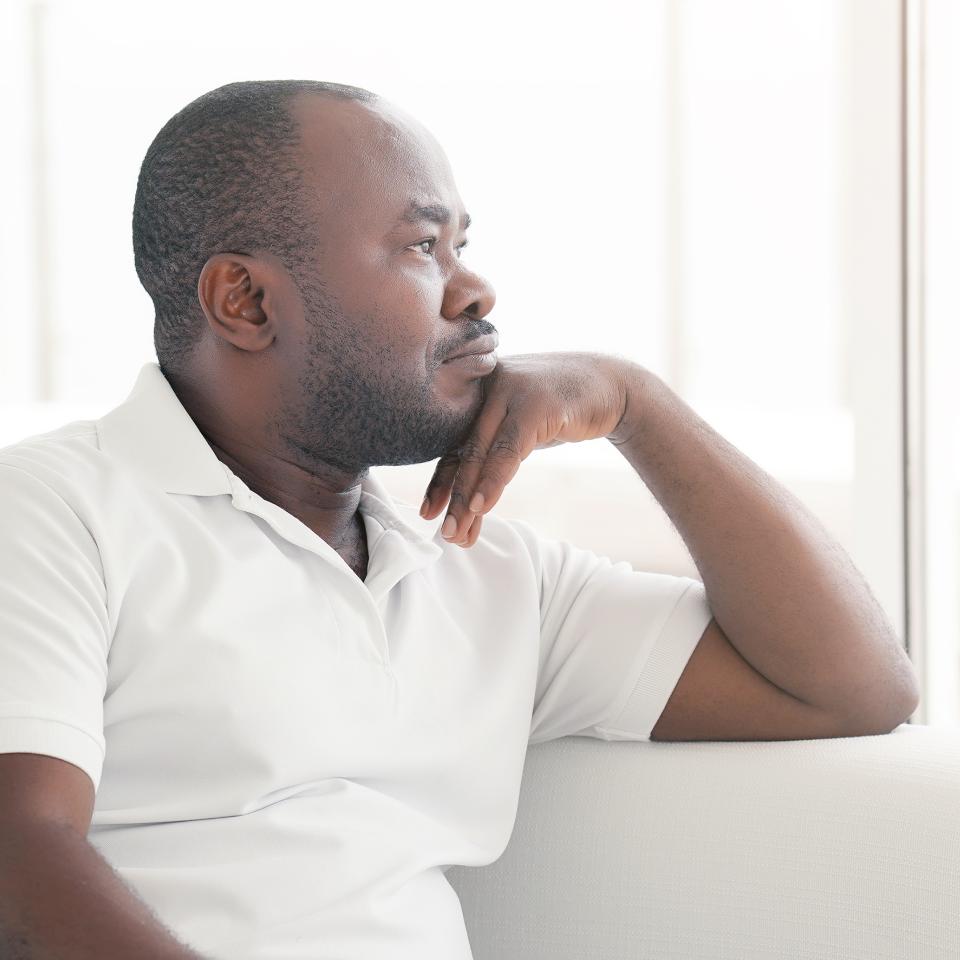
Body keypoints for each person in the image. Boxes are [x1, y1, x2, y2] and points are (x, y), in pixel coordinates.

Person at [0, 80, 919, 960]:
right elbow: (17, 862)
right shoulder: (53, 510)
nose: (473, 291)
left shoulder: (484, 569)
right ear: (245, 302)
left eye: (460, 243)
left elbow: (850, 688)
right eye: (419, 248)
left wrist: (638, 406)